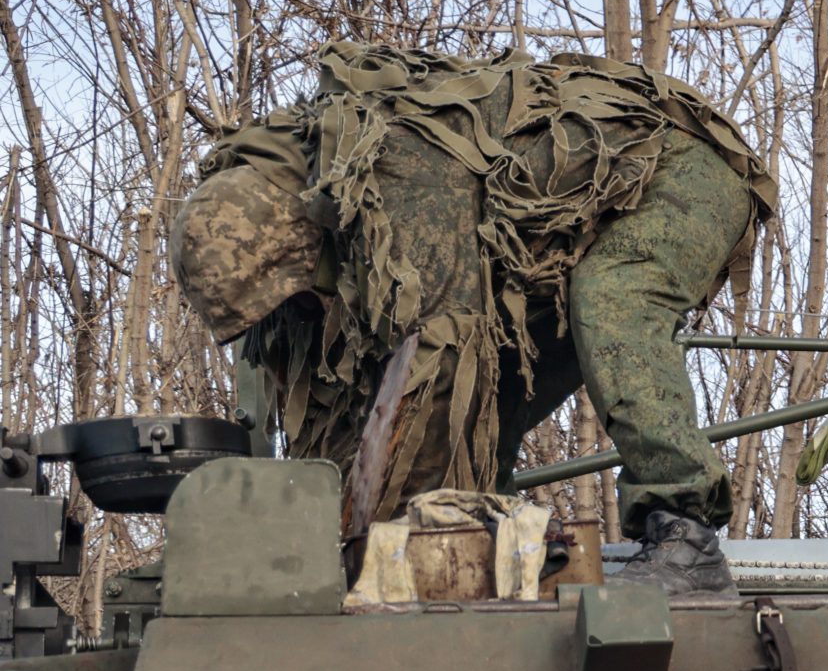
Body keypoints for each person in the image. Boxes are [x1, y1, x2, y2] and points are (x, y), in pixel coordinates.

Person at [169, 42, 777, 594]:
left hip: (680, 169)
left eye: (294, 295)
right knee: (500, 380)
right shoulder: (336, 202)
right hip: (568, 234)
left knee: (610, 299)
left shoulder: (402, 184)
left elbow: (438, 364)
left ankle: (687, 534)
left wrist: (395, 538)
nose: (303, 311)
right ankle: (510, 540)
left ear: (294, 249)